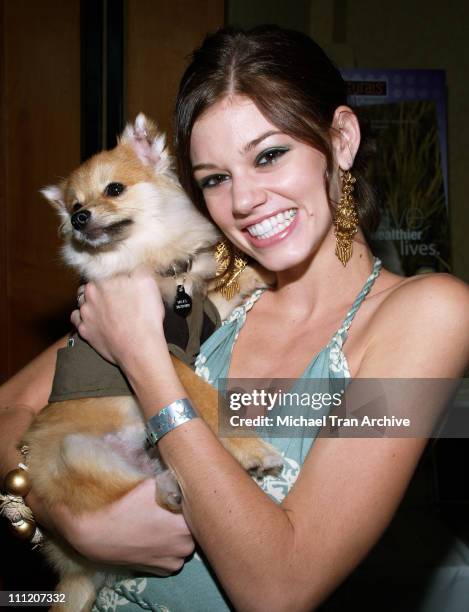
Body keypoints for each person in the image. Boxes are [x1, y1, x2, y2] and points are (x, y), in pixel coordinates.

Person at [1, 25, 469, 611]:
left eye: (270, 155)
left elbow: (279, 589)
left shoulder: (429, 314)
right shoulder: (204, 287)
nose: (243, 200)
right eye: (215, 179)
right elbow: (9, 411)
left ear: (342, 139)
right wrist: (58, 517)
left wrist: (145, 361)